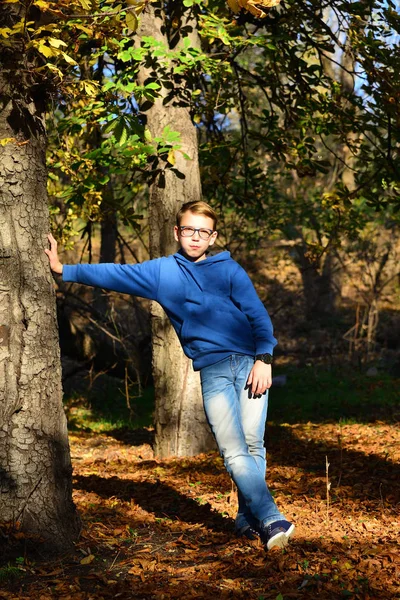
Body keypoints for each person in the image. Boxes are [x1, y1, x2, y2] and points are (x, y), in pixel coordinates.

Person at [45, 200, 295, 551]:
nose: (195, 237)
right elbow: (116, 273)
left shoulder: (229, 270)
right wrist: (64, 269)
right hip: (215, 371)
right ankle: (271, 519)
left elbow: (258, 317)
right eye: (189, 230)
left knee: (254, 446)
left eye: (203, 232)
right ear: (178, 232)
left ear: (213, 237)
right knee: (233, 450)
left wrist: (265, 358)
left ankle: (246, 519)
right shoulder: (163, 273)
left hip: (254, 364)